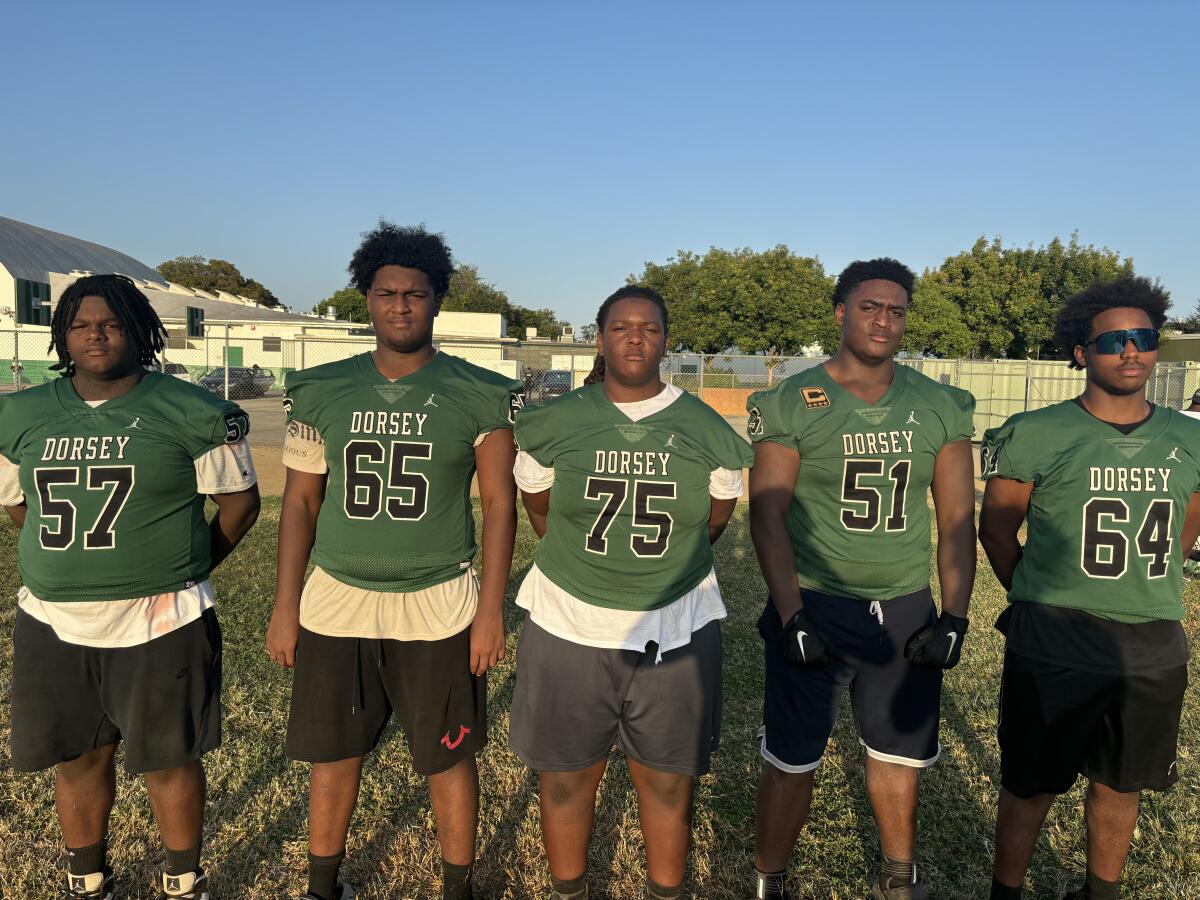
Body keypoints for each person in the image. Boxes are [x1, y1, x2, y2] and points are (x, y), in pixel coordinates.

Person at [267, 222, 524, 900]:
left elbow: (500, 505)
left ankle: (456, 888)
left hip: (438, 596)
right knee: (334, 754)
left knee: (449, 757)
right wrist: (284, 606)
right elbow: (298, 504)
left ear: (438, 298)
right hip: (336, 596)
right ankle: (324, 886)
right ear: (366, 298)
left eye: (416, 293)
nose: (401, 306)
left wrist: (491, 610)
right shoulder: (321, 388)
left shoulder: (479, 390)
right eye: (387, 293)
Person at [0, 274, 261, 900]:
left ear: (139, 331)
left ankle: (182, 879)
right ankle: (87, 877)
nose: (96, 333)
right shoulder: (18, 413)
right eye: (82, 323)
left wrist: (188, 565)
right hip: (54, 619)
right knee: (78, 757)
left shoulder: (192, 410)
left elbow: (239, 504)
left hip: (162, 616)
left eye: (112, 322)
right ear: (62, 334)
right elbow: (20, 506)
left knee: (170, 758)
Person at [510, 286, 753, 900]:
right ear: (600, 338)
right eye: (621, 327)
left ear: (667, 341)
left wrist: (666, 566)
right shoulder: (559, 420)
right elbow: (536, 504)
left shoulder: (702, 425)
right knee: (565, 780)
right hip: (568, 618)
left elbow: (717, 514)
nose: (636, 337)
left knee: (669, 784)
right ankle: (569, 890)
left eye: (649, 327)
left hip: (676, 622)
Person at [747, 259, 977, 900]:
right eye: (870, 306)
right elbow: (767, 511)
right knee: (792, 758)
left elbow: (958, 517)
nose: (884, 319)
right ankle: (769, 877)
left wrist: (955, 614)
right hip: (818, 600)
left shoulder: (938, 404)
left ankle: (899, 878)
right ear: (840, 313)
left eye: (896, 310)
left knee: (898, 755)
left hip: (904, 604)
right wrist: (791, 613)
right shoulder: (793, 399)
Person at [979, 277, 1200, 900]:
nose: (1132, 352)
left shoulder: (1190, 439)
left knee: (1121, 783)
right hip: (1056, 634)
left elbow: (1185, 531)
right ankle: (1007, 892)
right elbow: (996, 531)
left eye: (1145, 338)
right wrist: (1037, 594)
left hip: (1152, 640)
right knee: (1031, 783)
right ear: (1082, 352)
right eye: (1115, 341)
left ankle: (1100, 893)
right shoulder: (1036, 432)